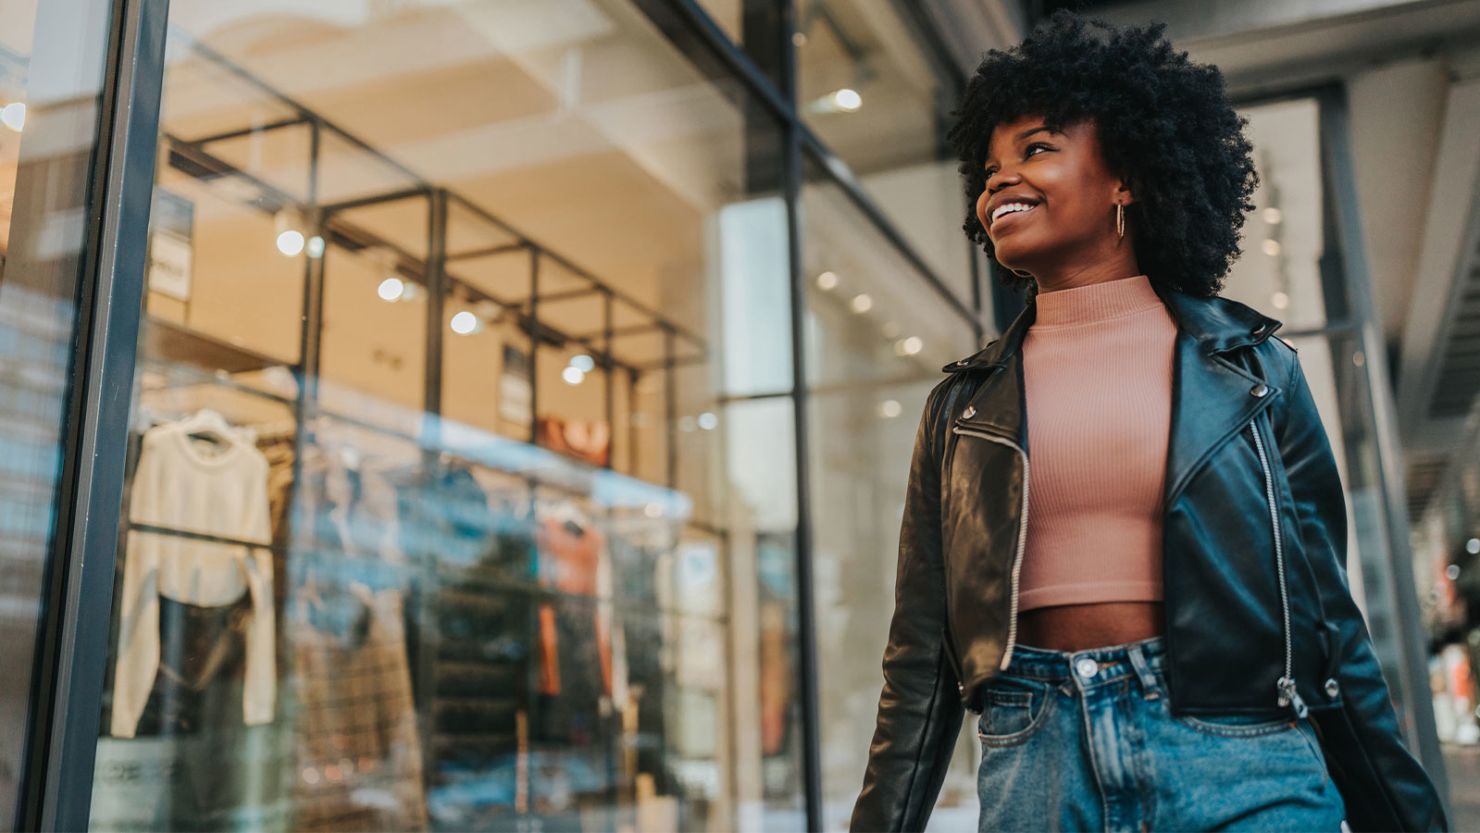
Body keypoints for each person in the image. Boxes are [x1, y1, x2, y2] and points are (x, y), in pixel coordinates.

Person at [849, 10, 1448, 833]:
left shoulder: (1255, 373)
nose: (997, 180)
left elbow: (1326, 621)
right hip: (1037, 757)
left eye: (1035, 148)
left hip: (1240, 751)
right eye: (988, 167)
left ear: (1126, 175)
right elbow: (921, 654)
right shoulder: (960, 408)